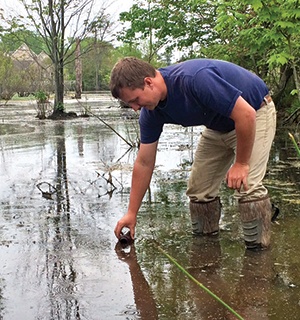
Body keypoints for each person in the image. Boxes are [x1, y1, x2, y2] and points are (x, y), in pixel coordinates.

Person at [110, 57, 276, 251]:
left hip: (255, 112)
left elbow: (245, 114)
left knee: (249, 187)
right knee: (199, 192)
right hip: (217, 126)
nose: (136, 108)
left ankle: (258, 261)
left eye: (136, 100)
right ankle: (206, 254)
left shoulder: (195, 79)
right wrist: (131, 212)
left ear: (148, 82)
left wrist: (241, 164)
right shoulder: (151, 112)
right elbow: (144, 162)